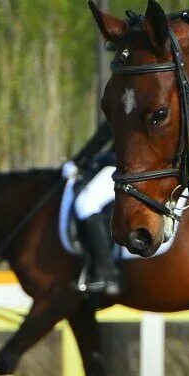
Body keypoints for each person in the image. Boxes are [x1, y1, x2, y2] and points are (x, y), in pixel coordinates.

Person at [62, 122, 122, 298]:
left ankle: (106, 273)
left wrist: (77, 161)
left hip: (130, 168)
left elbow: (110, 129)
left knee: (85, 203)